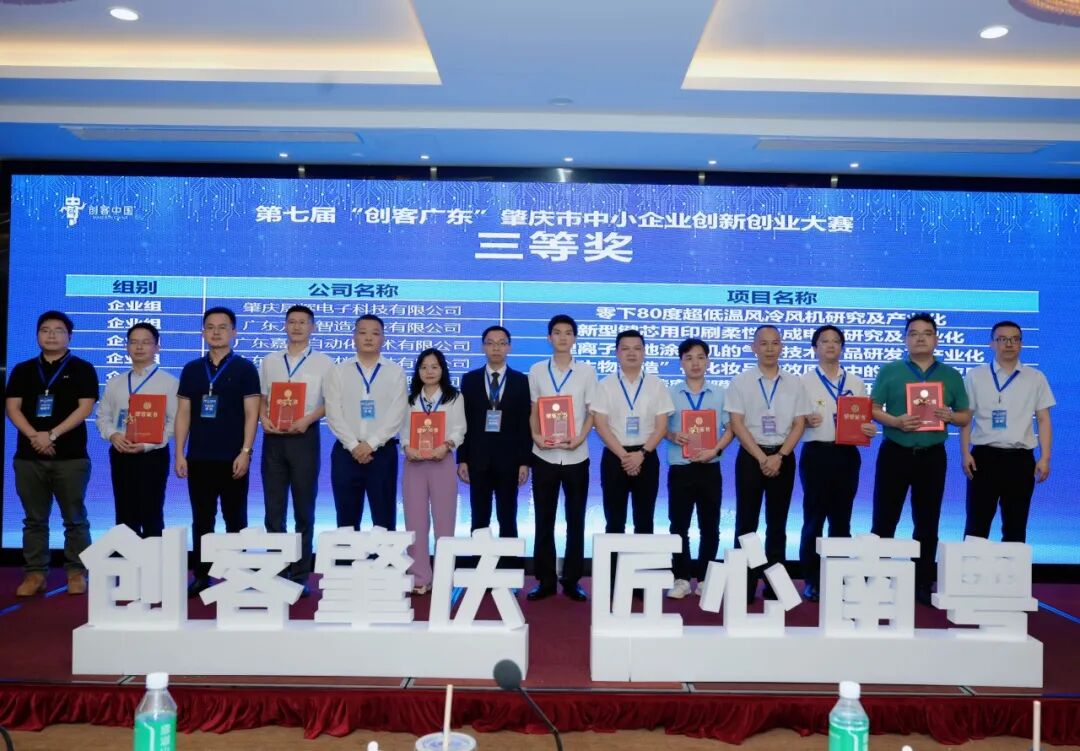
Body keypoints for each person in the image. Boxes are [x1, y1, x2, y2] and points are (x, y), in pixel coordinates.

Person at [871, 312, 970, 605]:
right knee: (884, 519)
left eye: (927, 333)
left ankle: (923, 580)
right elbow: (872, 408)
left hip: (931, 456)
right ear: (905, 339)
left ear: (936, 339)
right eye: (913, 333)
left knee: (927, 521)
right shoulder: (890, 371)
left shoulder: (951, 375)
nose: (920, 338)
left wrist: (950, 416)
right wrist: (895, 421)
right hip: (895, 452)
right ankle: (877, 578)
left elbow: (965, 416)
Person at [5, 311, 98, 596]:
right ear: (37, 335)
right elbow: (12, 408)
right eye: (45, 330)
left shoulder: (82, 368)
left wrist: (52, 434)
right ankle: (35, 574)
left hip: (70, 456)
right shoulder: (22, 369)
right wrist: (35, 436)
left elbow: (85, 408)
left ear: (69, 336)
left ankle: (76, 572)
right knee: (34, 520)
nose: (51, 335)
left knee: (75, 518)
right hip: (29, 455)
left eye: (58, 330)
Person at [175, 306, 261, 597]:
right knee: (202, 520)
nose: (216, 332)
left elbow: (252, 414)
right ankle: (202, 576)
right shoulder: (192, 369)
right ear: (203, 332)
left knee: (236, 520)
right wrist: (179, 452)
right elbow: (183, 413)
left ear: (233, 332)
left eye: (223, 327)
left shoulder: (245, 369)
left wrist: (246, 451)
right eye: (210, 327)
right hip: (199, 458)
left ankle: (240, 575)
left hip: (233, 458)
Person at [726, 325, 810, 603]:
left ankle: (775, 586)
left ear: (781, 347)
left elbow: (799, 423)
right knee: (746, 524)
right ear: (754, 347)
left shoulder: (795, 383)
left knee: (778, 523)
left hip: (783, 456)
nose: (770, 348)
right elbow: (737, 423)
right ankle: (745, 584)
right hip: (751, 457)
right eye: (764, 343)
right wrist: (763, 458)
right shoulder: (741, 382)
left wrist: (780, 456)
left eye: (775, 343)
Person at [259, 305, 334, 596]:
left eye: (303, 322)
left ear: (312, 327)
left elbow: (329, 402)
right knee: (273, 510)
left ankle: (301, 574)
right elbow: (263, 397)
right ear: (285, 326)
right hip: (274, 439)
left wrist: (307, 420)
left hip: (305, 437)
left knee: (304, 509)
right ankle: (276, 571)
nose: (297, 327)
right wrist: (264, 418)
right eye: (292, 322)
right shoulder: (270, 361)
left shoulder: (325, 363)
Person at [797, 325, 875, 602]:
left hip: (846, 455)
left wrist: (868, 429)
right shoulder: (802, 382)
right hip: (816, 454)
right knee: (813, 519)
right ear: (814, 348)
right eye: (824, 341)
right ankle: (812, 579)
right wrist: (804, 420)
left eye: (836, 341)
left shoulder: (855, 382)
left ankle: (838, 577)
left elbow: (864, 418)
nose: (830, 345)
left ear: (842, 347)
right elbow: (792, 419)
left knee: (841, 521)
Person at [593, 330, 674, 590]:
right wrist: (624, 455)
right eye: (625, 348)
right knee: (614, 521)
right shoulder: (605, 385)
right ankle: (613, 581)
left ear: (644, 352)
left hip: (646, 456)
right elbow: (600, 424)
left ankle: (641, 582)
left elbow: (662, 425)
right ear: (617, 353)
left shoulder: (656, 385)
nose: (631, 353)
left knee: (644, 520)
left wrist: (642, 454)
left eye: (637, 348)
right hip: (615, 456)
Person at [960, 321, 1054, 543]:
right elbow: (966, 417)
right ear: (991, 343)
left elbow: (1043, 419)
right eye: (1002, 339)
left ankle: (1012, 567)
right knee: (976, 524)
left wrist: (1045, 458)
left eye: (1015, 339)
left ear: (1021, 344)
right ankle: (971, 566)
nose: (1009, 344)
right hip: (984, 457)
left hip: (1020, 459)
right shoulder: (975, 376)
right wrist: (965, 453)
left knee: (1016, 525)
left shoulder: (1036, 377)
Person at [526, 315, 597, 602]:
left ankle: (571, 580)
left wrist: (580, 438)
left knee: (575, 520)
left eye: (568, 333)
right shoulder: (537, 370)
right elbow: (533, 410)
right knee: (543, 520)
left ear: (575, 338)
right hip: (544, 455)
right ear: (549, 338)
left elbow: (592, 412)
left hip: (576, 455)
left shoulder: (587, 372)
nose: (563, 338)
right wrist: (535, 435)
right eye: (557, 333)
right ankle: (544, 580)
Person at [324, 314, 407, 531]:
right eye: (362, 332)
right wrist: (354, 446)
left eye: (375, 333)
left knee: (384, 518)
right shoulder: (339, 371)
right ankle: (346, 554)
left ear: (383, 339)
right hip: (346, 453)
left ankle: (385, 556)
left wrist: (371, 444)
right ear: (353, 337)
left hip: (382, 453)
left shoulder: (395, 372)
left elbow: (397, 413)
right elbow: (333, 413)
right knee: (346, 520)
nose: (368, 338)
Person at [96, 322, 179, 538]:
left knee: (152, 512)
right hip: (121, 452)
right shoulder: (115, 382)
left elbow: (174, 422)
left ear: (157, 347)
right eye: (133, 342)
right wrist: (113, 435)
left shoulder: (169, 383)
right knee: (124, 513)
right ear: (127, 347)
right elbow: (103, 416)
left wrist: (148, 444)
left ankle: (154, 558)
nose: (139, 347)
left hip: (153, 455)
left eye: (146, 342)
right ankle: (127, 558)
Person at [664, 338, 733, 599]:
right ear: (681, 362)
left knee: (710, 526)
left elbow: (731, 428)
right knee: (678, 526)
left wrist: (715, 450)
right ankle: (681, 578)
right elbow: (660, 428)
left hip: (709, 467)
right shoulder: (670, 394)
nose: (695, 363)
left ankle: (705, 578)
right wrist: (672, 436)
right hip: (680, 467)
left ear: (708, 361)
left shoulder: (720, 394)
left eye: (700, 357)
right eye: (689, 358)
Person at [457, 326, 532, 546]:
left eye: (501, 343)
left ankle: (509, 566)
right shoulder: (469, 380)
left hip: (509, 460)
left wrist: (524, 462)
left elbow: (524, 423)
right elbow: (464, 421)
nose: (496, 348)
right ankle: (478, 564)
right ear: (483, 347)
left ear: (509, 347)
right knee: (479, 518)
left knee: (508, 517)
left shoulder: (521, 381)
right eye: (490, 343)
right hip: (478, 459)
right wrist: (462, 458)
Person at [401, 348, 467, 596]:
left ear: (443, 370)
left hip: (442, 461)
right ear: (418, 371)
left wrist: (447, 445)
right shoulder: (409, 399)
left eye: (434, 366)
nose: (429, 371)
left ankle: (443, 576)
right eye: (424, 367)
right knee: (415, 522)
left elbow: (460, 428)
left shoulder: (453, 397)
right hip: (414, 463)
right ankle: (419, 576)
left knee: (444, 521)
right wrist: (406, 447)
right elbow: (402, 430)